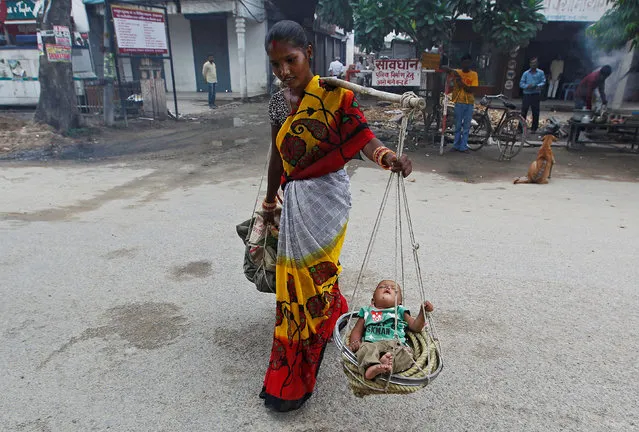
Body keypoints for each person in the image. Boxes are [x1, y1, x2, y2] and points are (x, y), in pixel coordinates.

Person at [261, 20, 413, 412]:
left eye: (290, 60)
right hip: (293, 198)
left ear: (308, 53)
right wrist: (268, 199)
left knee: (313, 281)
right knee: (295, 290)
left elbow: (362, 136)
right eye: (275, 63)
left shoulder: (335, 95)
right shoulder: (279, 99)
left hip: (326, 200)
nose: (283, 71)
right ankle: (296, 362)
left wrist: (387, 157)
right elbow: (277, 151)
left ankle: (296, 376)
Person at [349, 280, 434, 380]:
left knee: (406, 355)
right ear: (373, 300)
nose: (388, 288)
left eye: (394, 290)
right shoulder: (367, 311)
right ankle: (371, 367)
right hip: (371, 343)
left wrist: (422, 313)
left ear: (399, 303)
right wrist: (354, 342)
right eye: (382, 287)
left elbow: (416, 327)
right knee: (365, 350)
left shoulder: (401, 311)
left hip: (395, 345)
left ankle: (384, 366)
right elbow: (357, 330)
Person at [443, 54, 479, 153]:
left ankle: (463, 146)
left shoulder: (474, 74)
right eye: (464, 63)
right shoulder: (457, 72)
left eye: (468, 62)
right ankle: (456, 145)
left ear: (470, 63)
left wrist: (461, 82)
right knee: (458, 125)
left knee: (466, 126)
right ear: (462, 63)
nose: (466, 65)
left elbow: (471, 89)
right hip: (458, 102)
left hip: (469, 102)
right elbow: (444, 68)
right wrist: (454, 72)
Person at [519, 57, 546, 133]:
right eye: (532, 63)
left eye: (535, 63)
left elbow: (543, 81)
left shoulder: (541, 73)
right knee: (524, 111)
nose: (533, 65)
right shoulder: (526, 73)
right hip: (527, 94)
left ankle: (534, 128)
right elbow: (521, 84)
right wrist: (527, 86)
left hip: (536, 94)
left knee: (535, 111)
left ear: (537, 64)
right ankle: (520, 128)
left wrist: (538, 85)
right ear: (530, 64)